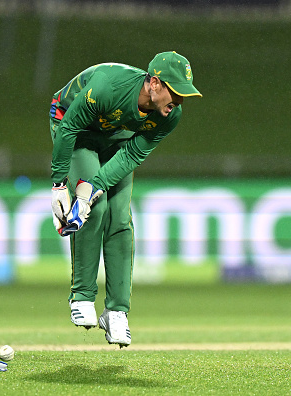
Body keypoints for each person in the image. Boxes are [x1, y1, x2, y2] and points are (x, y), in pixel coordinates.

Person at [50, 52, 202, 347]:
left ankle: (116, 311)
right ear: (154, 83)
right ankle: (82, 296)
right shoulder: (109, 86)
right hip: (74, 128)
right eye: (176, 92)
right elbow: (68, 128)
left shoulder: (170, 115)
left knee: (119, 216)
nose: (179, 102)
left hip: (116, 135)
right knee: (97, 209)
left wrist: (93, 187)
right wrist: (59, 185)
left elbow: (132, 153)